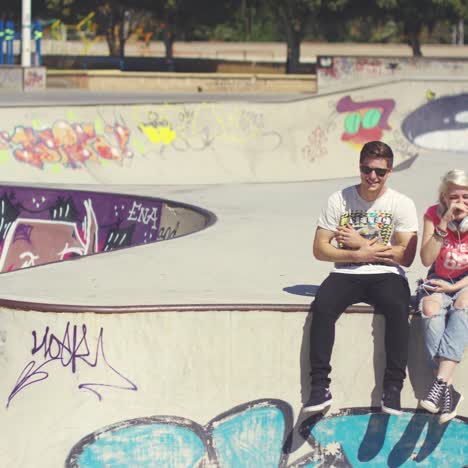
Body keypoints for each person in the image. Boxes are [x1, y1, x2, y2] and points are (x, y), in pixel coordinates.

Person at [304, 140, 418, 415]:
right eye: (367, 170)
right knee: (322, 307)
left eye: (380, 172)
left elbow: (406, 256)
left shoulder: (400, 203)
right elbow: (320, 249)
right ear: (360, 168)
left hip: (387, 274)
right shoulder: (339, 199)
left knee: (397, 308)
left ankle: (392, 389)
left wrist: (359, 243)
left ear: (389, 172)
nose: (373, 177)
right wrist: (359, 254)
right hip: (346, 272)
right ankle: (319, 387)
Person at [417, 169, 467, 424]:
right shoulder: (433, 215)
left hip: (465, 284)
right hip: (438, 278)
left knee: (464, 302)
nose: (460, 203)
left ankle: (439, 384)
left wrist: (454, 288)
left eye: (466, 197)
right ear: (444, 198)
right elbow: (426, 259)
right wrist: (443, 224)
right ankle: (448, 391)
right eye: (454, 197)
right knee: (428, 309)